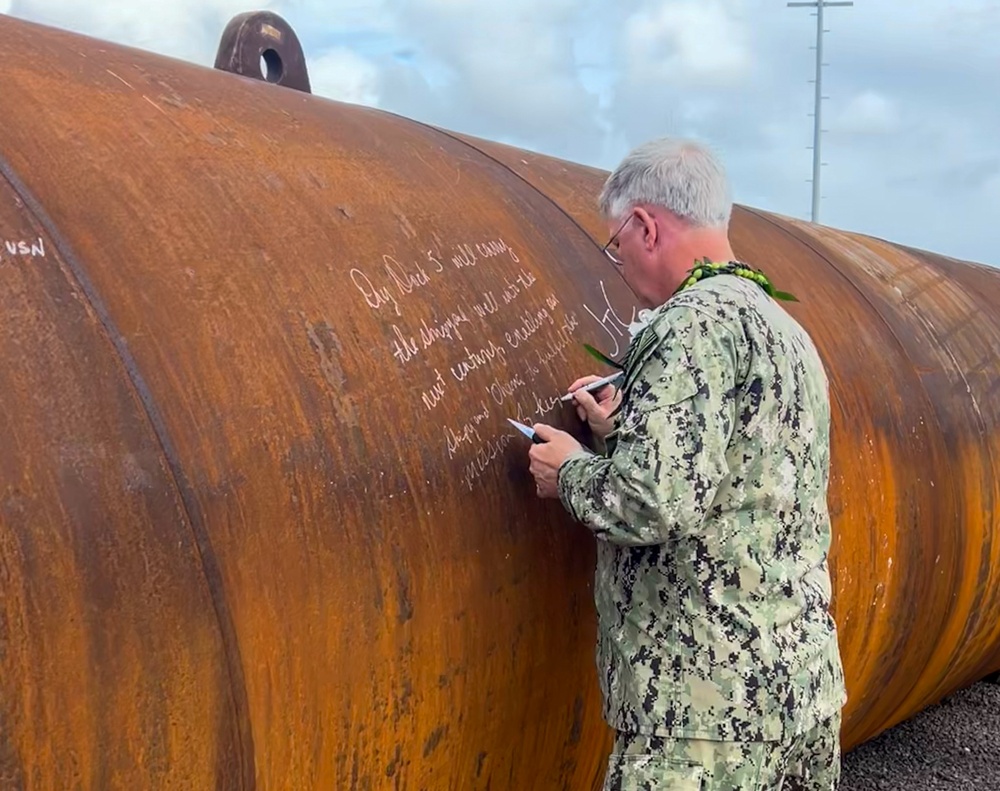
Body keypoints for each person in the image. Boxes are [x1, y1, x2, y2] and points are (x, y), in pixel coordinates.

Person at [525, 137, 848, 790]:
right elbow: (744, 474)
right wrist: (625, 428)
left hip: (704, 716)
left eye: (615, 244)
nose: (617, 263)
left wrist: (570, 471)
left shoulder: (687, 327)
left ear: (645, 224)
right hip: (800, 692)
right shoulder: (782, 327)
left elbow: (650, 501)